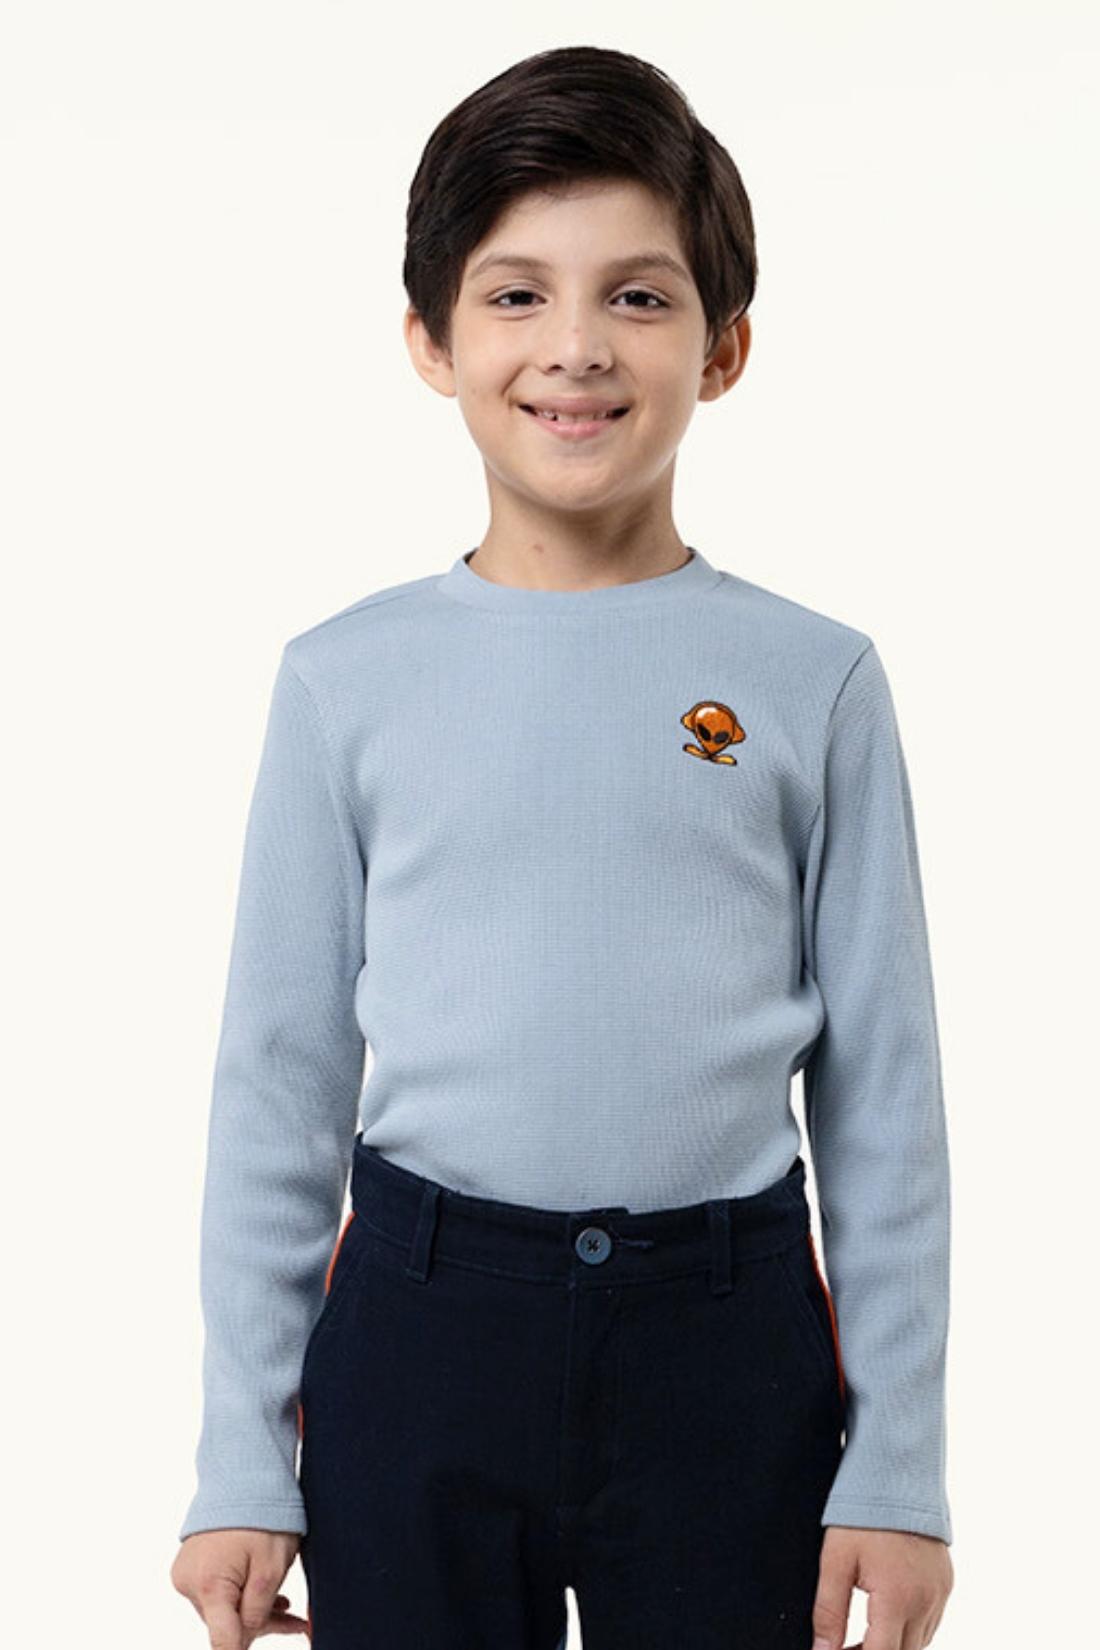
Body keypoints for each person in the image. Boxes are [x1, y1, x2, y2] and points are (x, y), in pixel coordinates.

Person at [171, 43, 954, 1650]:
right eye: (517, 294)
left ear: (725, 347)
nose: (577, 348)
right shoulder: (343, 680)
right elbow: (279, 1084)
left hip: (726, 1347)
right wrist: (240, 1456)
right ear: (430, 339)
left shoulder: (814, 679)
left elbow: (885, 1100)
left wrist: (902, 1465)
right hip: (421, 1332)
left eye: (639, 297)